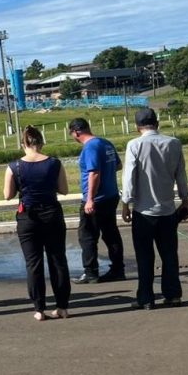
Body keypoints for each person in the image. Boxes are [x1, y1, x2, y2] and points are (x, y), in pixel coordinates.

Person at [121, 108, 188, 310]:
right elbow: (181, 174)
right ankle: (173, 295)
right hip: (168, 210)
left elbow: (129, 178)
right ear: (157, 123)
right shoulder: (174, 143)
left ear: (137, 127)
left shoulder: (134, 145)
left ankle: (146, 298)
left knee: (144, 257)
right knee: (169, 255)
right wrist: (185, 200)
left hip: (143, 212)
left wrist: (125, 203)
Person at [4, 126, 71, 321]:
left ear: (23, 144)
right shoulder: (54, 163)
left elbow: (7, 195)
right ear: (41, 142)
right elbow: (64, 189)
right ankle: (62, 307)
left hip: (28, 217)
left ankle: (39, 309)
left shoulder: (14, 166)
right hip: (52, 214)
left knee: (33, 263)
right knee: (58, 260)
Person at [68, 117, 126, 284]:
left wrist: (90, 199)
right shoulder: (105, 143)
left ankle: (91, 272)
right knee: (111, 233)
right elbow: (118, 165)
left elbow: (94, 173)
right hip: (111, 195)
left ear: (76, 132)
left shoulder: (90, 147)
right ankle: (118, 269)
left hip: (97, 198)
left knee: (87, 236)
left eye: (72, 134)